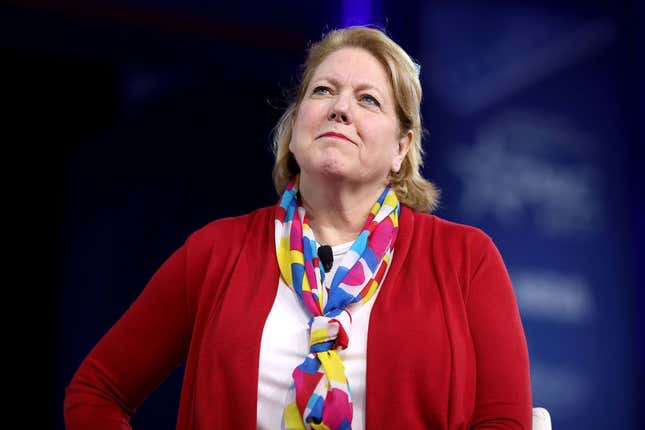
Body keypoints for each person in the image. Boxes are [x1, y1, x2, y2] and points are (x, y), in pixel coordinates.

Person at [64, 25, 532, 429]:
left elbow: (504, 422)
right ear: (294, 129)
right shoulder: (216, 252)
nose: (340, 108)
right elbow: (96, 393)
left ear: (401, 149)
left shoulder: (465, 259)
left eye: (368, 99)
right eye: (323, 91)